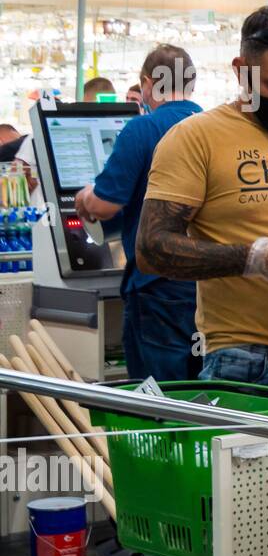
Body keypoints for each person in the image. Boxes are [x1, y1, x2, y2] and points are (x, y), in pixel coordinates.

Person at [137, 6, 268, 392]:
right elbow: (152, 249)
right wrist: (253, 258)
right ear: (241, 70)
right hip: (248, 361)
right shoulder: (195, 138)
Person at [73, 45, 202, 381]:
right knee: (199, 387)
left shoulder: (141, 130)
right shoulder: (213, 126)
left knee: (157, 393)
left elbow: (105, 204)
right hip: (208, 283)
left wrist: (84, 197)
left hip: (158, 285)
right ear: (191, 82)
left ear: (147, 83)